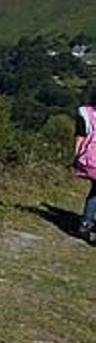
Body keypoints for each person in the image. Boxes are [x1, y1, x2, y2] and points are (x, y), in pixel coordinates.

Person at [76, 90, 96, 244]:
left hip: (91, 160)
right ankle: (87, 223)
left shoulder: (86, 112)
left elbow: (80, 135)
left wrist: (77, 155)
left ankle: (86, 223)